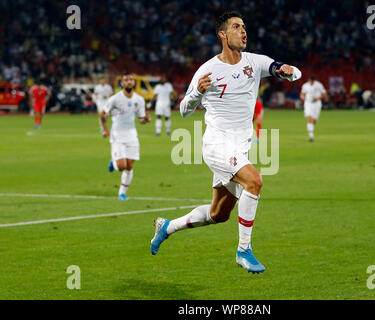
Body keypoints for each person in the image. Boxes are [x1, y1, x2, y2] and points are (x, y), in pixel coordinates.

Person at [150, 12, 302, 273]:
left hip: (240, 146)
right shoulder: (207, 69)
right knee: (254, 181)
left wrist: (288, 72)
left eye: (244, 26)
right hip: (217, 144)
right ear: (222, 34)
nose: (243, 31)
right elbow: (184, 109)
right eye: (236, 27)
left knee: (219, 214)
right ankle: (244, 250)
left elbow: (284, 69)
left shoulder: (255, 62)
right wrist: (198, 91)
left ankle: (167, 226)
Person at [99, 73, 151, 200]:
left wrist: (146, 120)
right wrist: (105, 130)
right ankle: (114, 163)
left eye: (131, 79)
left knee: (129, 166)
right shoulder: (115, 99)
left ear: (133, 82)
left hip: (132, 135)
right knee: (122, 166)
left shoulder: (139, 100)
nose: (129, 82)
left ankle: (122, 193)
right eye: (126, 80)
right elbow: (102, 114)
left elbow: (141, 120)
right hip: (117, 135)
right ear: (122, 83)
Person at [300, 75, 327, 142]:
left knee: (314, 121)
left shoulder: (319, 85)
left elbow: (324, 94)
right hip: (308, 103)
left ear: (314, 81)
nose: (311, 82)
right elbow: (302, 93)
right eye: (310, 81)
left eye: (312, 81)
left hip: (317, 104)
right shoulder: (305, 85)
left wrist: (317, 98)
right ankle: (311, 137)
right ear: (309, 80)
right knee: (309, 119)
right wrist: (303, 97)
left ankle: (314, 122)